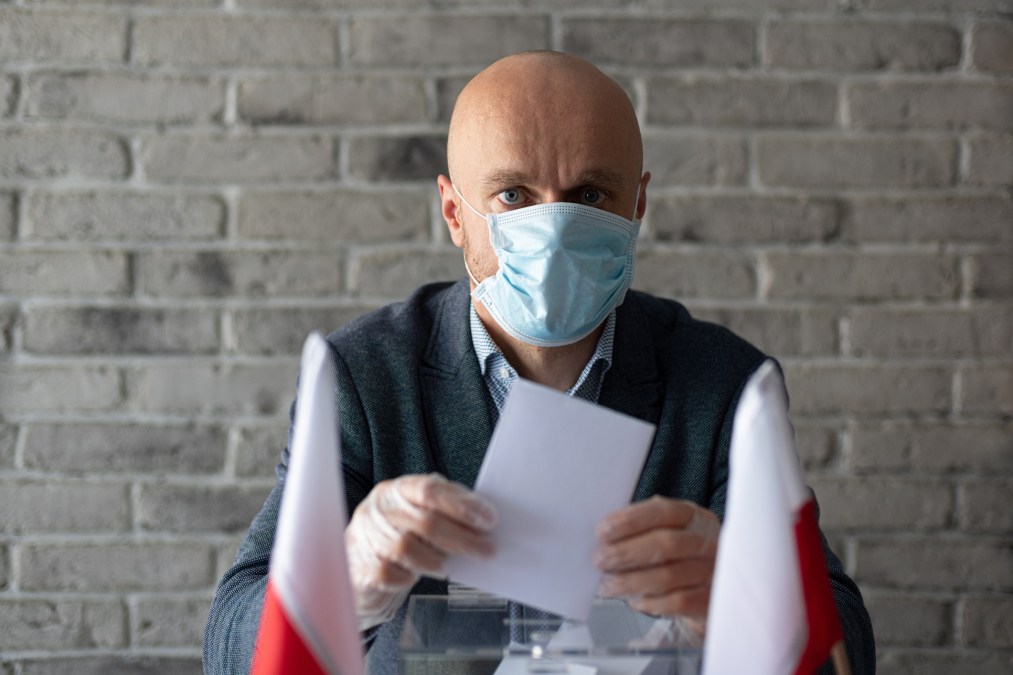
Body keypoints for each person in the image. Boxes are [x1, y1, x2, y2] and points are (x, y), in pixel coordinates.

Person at [204, 51, 875, 674]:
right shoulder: (363, 377)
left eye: (589, 196)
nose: (553, 232)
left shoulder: (726, 385)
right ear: (452, 212)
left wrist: (751, 602)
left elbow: (846, 649)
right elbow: (230, 643)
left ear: (637, 204)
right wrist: (337, 585)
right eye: (513, 196)